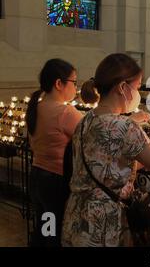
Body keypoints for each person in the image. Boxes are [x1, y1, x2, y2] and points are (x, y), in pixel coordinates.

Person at [61, 53, 150, 247]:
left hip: (76, 219)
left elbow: (102, 161)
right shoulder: (125, 127)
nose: (137, 93)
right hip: (104, 226)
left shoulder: (84, 121)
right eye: (136, 87)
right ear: (122, 87)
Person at [27, 59, 83, 247]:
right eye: (74, 82)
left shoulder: (36, 107)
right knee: (56, 230)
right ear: (59, 84)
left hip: (37, 174)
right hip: (56, 180)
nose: (76, 87)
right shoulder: (65, 112)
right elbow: (93, 134)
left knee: (45, 225)